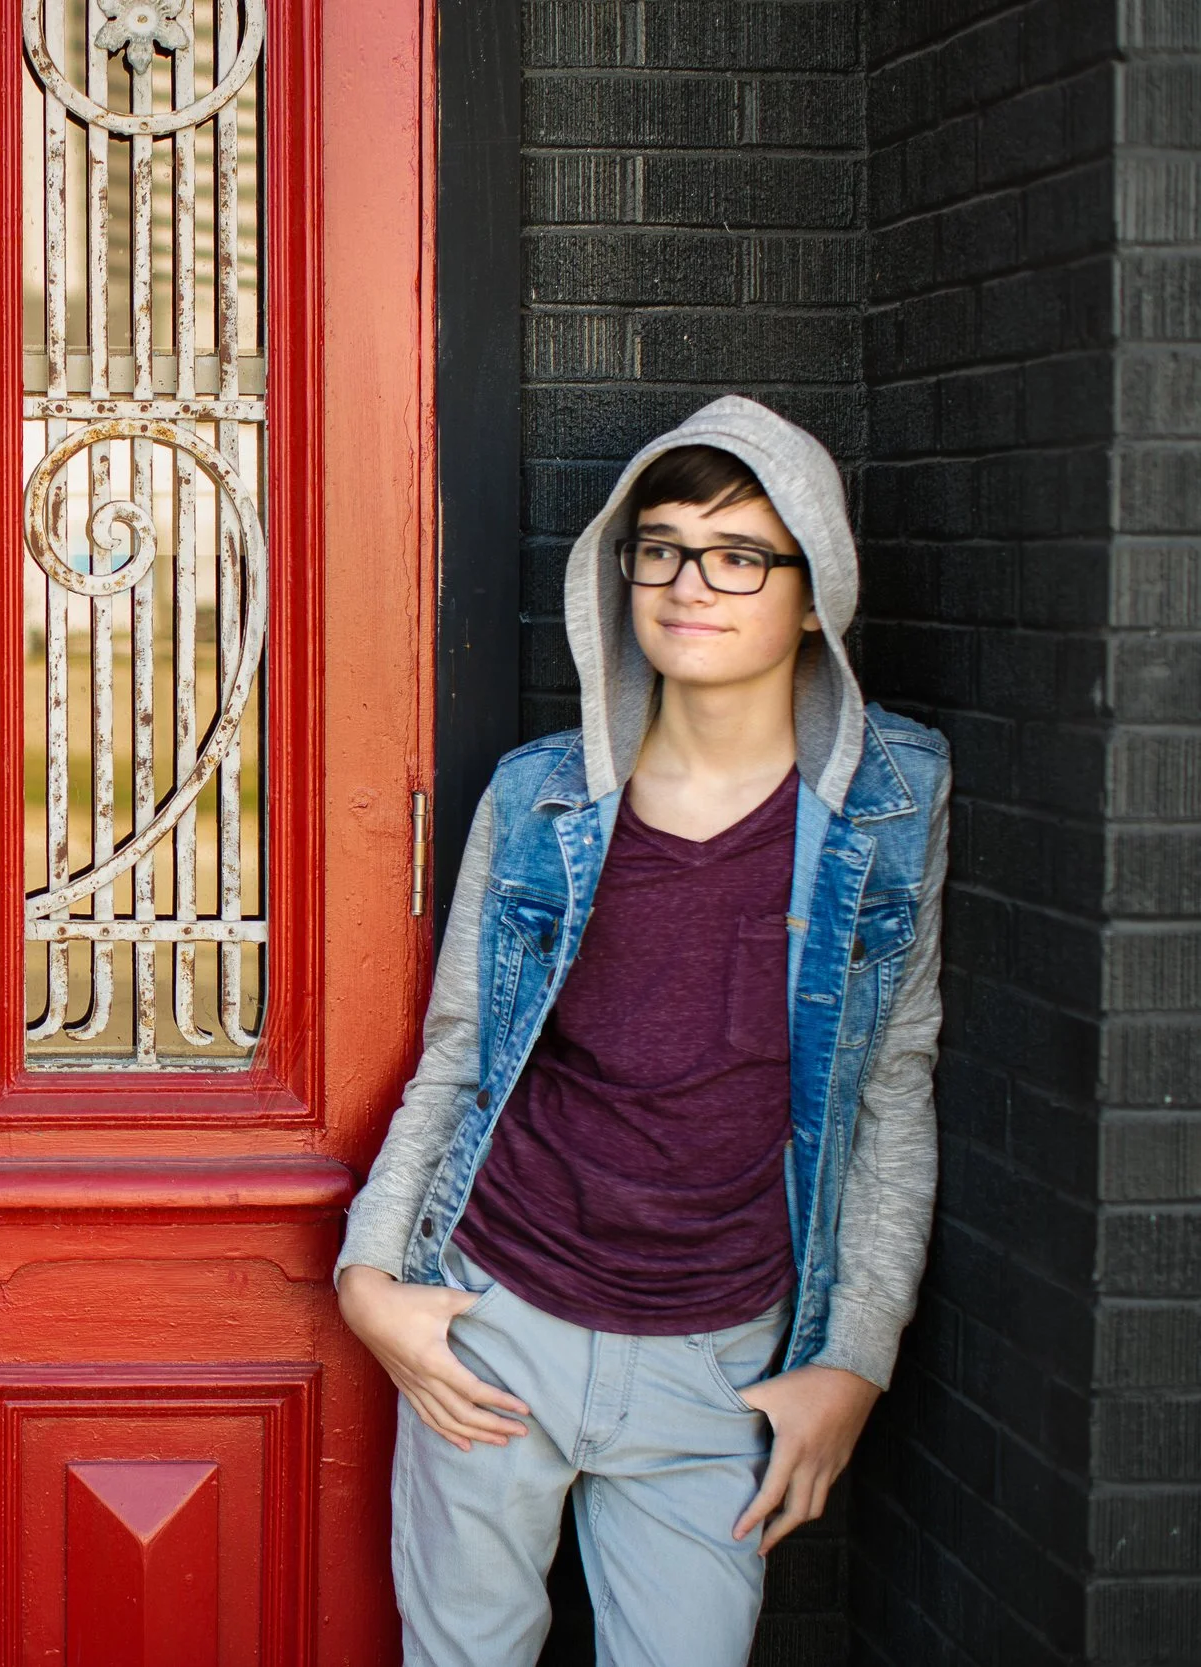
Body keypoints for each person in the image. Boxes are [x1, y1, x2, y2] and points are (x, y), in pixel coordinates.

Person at [337, 396, 950, 1667]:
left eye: (737, 555)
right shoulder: (541, 795)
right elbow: (460, 1051)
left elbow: (891, 1088)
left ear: (810, 586)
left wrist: (853, 1360)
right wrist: (370, 1280)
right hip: (495, 1321)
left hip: (718, 1360)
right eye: (658, 547)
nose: (688, 585)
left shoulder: (890, 804)